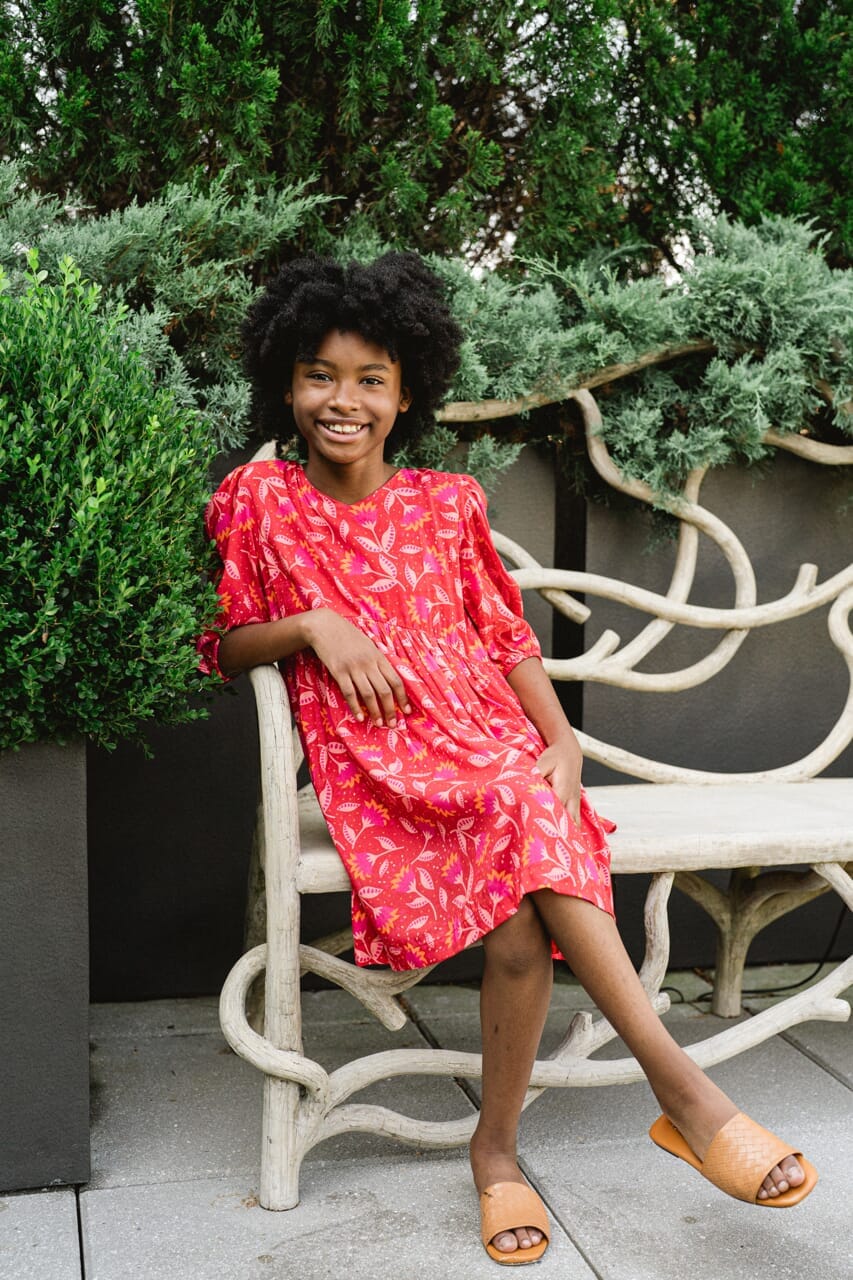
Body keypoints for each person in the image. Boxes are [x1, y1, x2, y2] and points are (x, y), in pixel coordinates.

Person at [198, 252, 816, 1263]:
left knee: (525, 871)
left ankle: (500, 1151)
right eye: (319, 374)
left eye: (369, 380)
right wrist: (312, 622)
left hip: (483, 738)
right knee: (528, 826)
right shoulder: (259, 500)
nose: (341, 400)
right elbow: (222, 646)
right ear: (285, 378)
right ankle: (681, 1094)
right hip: (381, 761)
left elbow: (504, 639)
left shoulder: (445, 501)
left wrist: (560, 735)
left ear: (406, 395)